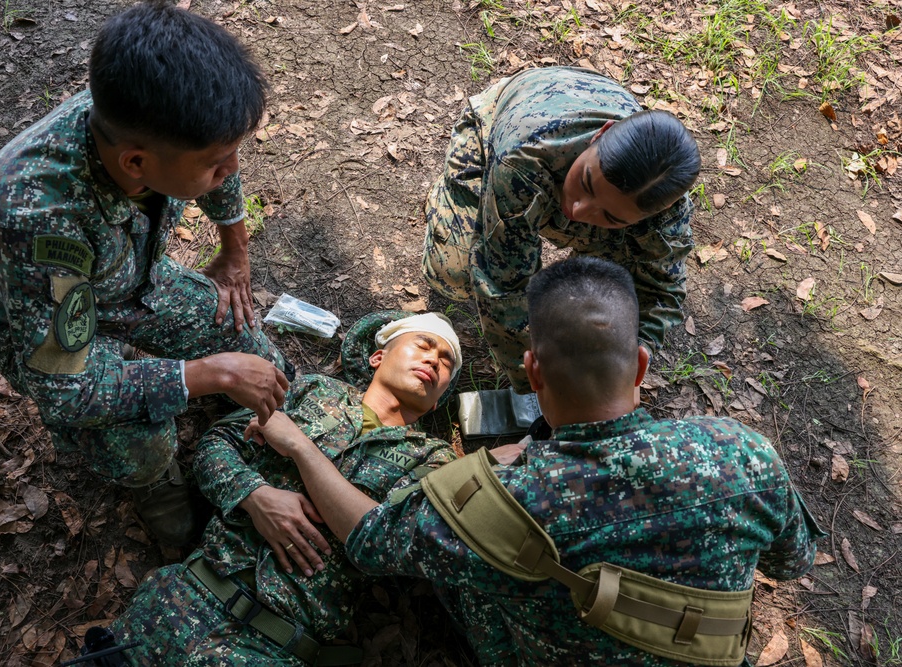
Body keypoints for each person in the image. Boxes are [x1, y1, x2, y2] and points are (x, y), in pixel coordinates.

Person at [255, 257, 822, 666]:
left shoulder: (503, 502)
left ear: (532, 373)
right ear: (642, 365)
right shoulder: (743, 452)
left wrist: (302, 447)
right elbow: (794, 561)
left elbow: (372, 542)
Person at [0, 2, 290, 545]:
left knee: (251, 344)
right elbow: (67, 386)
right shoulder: (33, 219)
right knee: (145, 442)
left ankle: (235, 435)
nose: (231, 169)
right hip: (55, 342)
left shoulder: (157, 123)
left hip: (132, 286)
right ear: (136, 165)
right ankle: (156, 485)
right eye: (217, 161)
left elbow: (218, 164)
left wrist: (235, 249)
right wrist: (210, 374)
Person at [107, 311, 515, 665]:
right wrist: (254, 495)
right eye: (424, 345)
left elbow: (392, 546)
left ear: (439, 400)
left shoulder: (436, 463)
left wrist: (299, 446)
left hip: (270, 648)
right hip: (176, 604)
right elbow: (218, 444)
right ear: (378, 356)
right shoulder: (312, 391)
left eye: (445, 363)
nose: (434, 360)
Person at [422, 66, 701, 393]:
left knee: (608, 296)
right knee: (454, 273)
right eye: (586, 183)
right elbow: (502, 283)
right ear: (601, 134)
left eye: (610, 216)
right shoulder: (523, 158)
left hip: (565, 131)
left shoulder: (666, 217)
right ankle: (459, 196)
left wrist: (630, 359)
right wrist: (537, 382)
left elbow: (660, 291)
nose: (577, 209)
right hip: (495, 126)